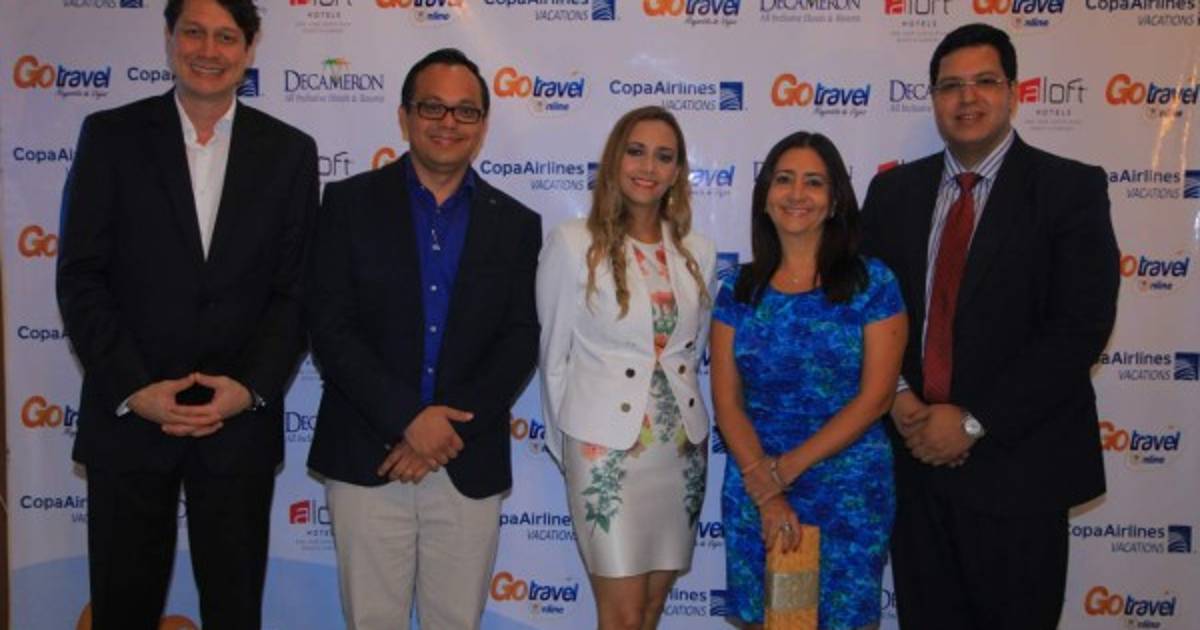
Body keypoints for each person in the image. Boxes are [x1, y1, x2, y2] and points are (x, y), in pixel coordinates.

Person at [55, 0, 318, 627]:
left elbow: (297, 290)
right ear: (169, 39)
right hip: (130, 422)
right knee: (122, 610)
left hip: (236, 428)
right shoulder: (110, 136)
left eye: (226, 37)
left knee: (234, 611)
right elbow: (81, 276)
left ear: (249, 50)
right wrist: (134, 389)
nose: (208, 50)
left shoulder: (289, 152)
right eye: (194, 32)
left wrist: (248, 389)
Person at [860, 23, 1120, 629]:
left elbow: (1080, 327)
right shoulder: (892, 192)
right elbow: (866, 311)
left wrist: (973, 422)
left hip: (1021, 472)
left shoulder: (1071, 189)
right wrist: (900, 400)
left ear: (1014, 92)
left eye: (984, 81)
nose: (967, 98)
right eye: (951, 85)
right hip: (915, 467)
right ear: (933, 98)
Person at [305, 48, 541, 630]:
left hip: (466, 460)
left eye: (465, 111)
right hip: (368, 453)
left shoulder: (516, 224)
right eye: (433, 107)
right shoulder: (347, 203)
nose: (448, 122)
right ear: (404, 115)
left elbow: (518, 341)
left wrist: (441, 432)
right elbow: (330, 327)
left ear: (482, 124)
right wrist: (409, 419)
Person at [710, 131, 907, 630]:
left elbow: (877, 397)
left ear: (835, 200)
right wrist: (768, 490)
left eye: (814, 182)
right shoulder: (738, 289)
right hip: (756, 484)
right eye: (784, 180)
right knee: (769, 620)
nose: (797, 194)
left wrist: (785, 471)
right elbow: (727, 402)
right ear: (765, 196)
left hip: (849, 489)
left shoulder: (873, 283)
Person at [536, 105, 716, 630]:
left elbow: (690, 353)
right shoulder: (573, 243)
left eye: (664, 157)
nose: (648, 167)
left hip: (680, 449)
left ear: (678, 172)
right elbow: (553, 359)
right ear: (615, 158)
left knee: (651, 610)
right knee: (622, 616)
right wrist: (571, 449)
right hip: (604, 452)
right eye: (636, 151)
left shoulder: (698, 252)